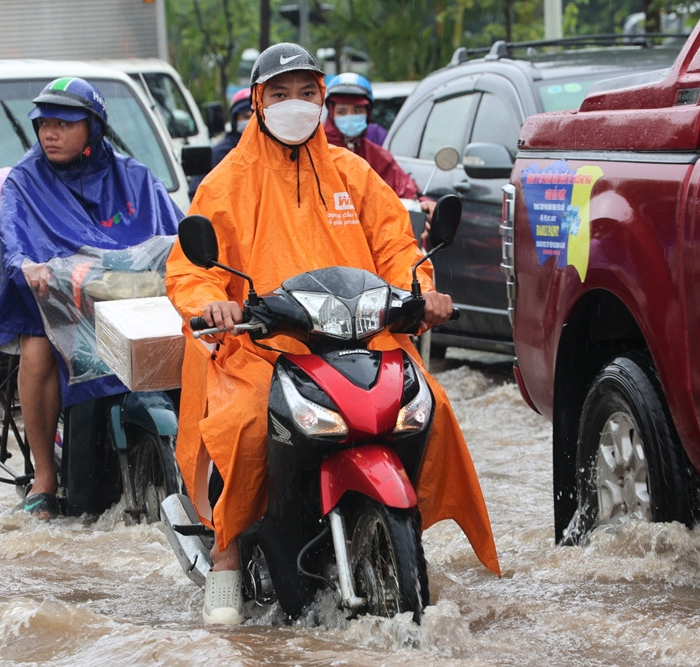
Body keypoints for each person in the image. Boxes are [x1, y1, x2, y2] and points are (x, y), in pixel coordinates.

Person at [165, 43, 500, 625]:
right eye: (279, 94)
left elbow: (398, 245)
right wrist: (212, 303)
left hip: (360, 339)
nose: (294, 105)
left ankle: (406, 526)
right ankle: (227, 550)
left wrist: (422, 290)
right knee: (247, 421)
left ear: (322, 99)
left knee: (432, 403)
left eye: (306, 94)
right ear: (256, 103)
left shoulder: (353, 173)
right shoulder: (225, 183)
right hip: (261, 346)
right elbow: (191, 270)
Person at [0, 77, 183, 520]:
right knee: (36, 354)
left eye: (63, 123)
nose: (49, 134)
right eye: (43, 124)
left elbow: (176, 227)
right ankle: (45, 477)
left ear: (92, 128)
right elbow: (13, 237)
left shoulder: (134, 177)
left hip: (131, 298)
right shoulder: (25, 179)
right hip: (56, 302)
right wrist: (27, 267)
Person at [323, 73, 435, 222]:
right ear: (331, 114)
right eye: (342, 112)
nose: (349, 117)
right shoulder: (314, 151)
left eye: (357, 111)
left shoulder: (378, 156)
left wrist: (424, 203)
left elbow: (404, 189)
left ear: (368, 113)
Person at [188, 87, 253, 198]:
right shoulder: (219, 154)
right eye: (245, 116)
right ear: (235, 119)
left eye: (254, 116)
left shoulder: (278, 152)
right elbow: (197, 192)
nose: (251, 121)